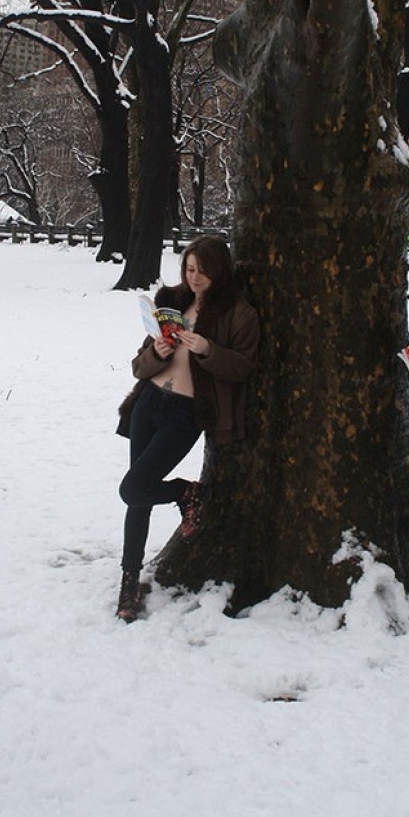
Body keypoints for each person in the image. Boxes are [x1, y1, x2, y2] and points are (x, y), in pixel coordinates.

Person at [115, 236, 259, 622]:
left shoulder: (236, 313)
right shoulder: (172, 303)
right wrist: (156, 353)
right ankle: (129, 581)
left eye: (203, 271)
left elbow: (243, 367)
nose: (195, 278)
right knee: (137, 496)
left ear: (219, 271)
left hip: (185, 413)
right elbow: (138, 366)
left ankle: (187, 493)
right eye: (189, 269)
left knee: (132, 487)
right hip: (148, 405)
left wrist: (207, 350)